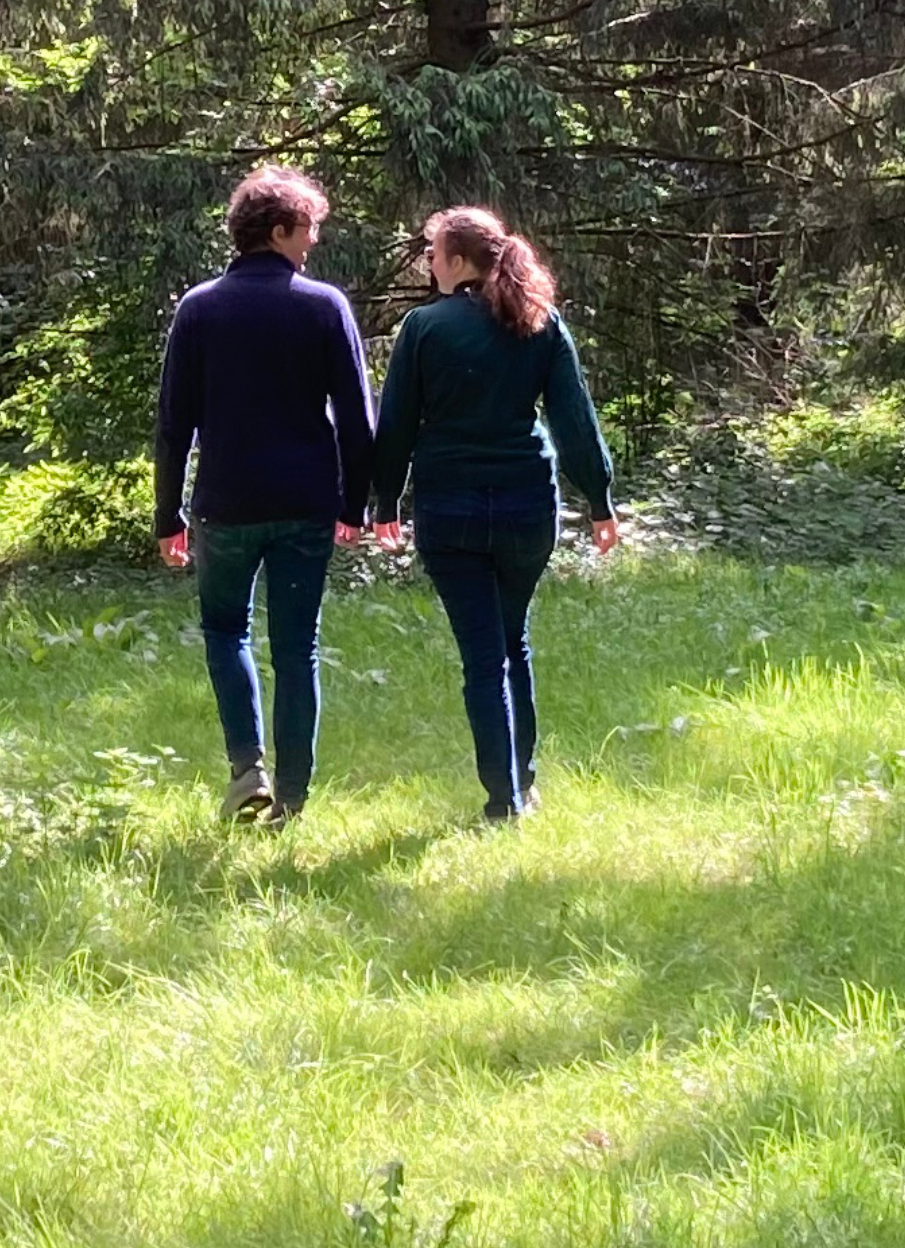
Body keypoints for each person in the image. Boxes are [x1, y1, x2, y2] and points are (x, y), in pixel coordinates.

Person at [369, 205, 618, 822]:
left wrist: (385, 501)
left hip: (449, 509)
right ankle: (522, 782)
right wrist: (599, 501)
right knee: (513, 642)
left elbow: (396, 424)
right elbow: (575, 421)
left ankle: (502, 798)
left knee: (484, 657)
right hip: (526, 506)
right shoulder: (540, 322)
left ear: (457, 261)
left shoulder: (423, 327)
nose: (429, 265)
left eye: (433, 254)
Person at [153, 165, 374, 825]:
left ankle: (248, 767)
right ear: (278, 230)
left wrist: (168, 515)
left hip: (226, 503)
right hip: (306, 502)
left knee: (226, 632)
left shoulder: (199, 309)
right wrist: (354, 505)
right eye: (308, 228)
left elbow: (173, 424)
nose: (313, 241)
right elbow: (357, 419)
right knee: (297, 647)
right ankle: (293, 799)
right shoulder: (324, 306)